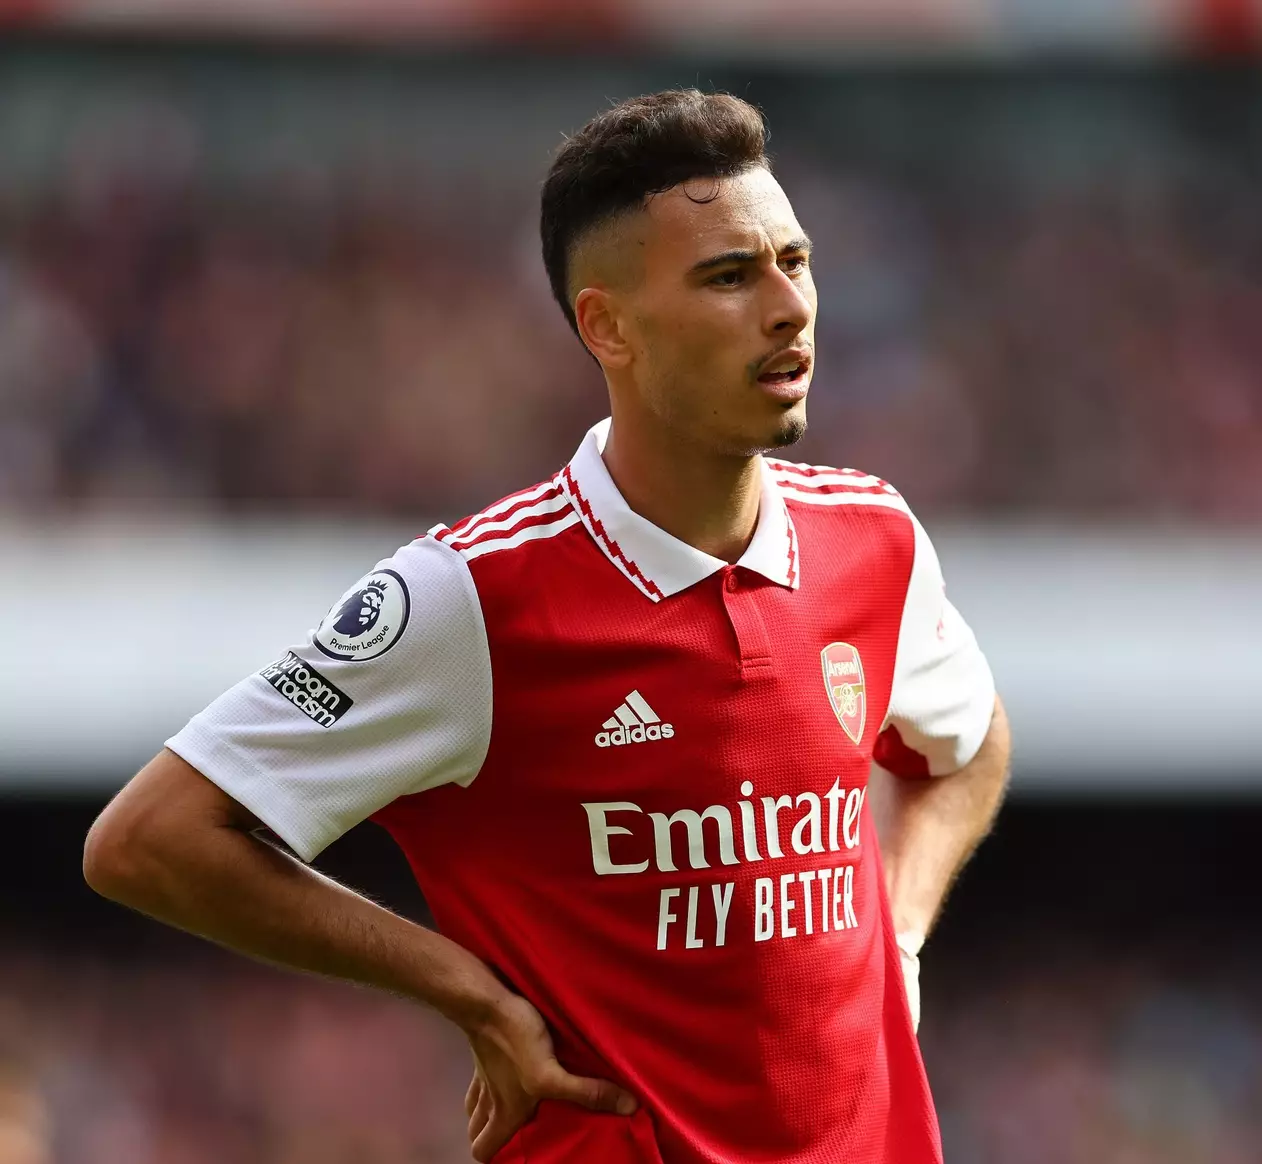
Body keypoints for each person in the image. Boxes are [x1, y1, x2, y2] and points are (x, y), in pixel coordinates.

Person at [83, 89, 1012, 1164]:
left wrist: (900, 927)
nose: (788, 305)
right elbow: (150, 840)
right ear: (606, 325)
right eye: (728, 275)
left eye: (794, 262)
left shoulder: (876, 541)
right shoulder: (474, 599)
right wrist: (468, 993)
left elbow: (969, 742)